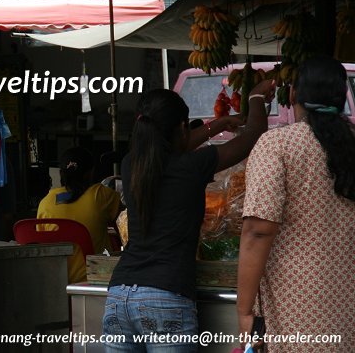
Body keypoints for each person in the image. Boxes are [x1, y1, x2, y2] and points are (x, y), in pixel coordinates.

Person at [102, 80, 274, 351]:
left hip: (118, 296)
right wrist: (255, 98)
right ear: (182, 128)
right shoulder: (192, 166)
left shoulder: (130, 164)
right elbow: (253, 136)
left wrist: (216, 125)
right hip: (165, 297)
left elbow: (175, 144)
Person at [237, 56, 355, 351]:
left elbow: (258, 230)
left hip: (297, 314)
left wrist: (244, 311)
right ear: (342, 99)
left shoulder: (278, 145)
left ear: (292, 95)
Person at [37, 147, 123, 283]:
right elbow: (125, 222)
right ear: (91, 172)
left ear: (61, 173)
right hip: (97, 277)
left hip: (57, 279)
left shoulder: (46, 203)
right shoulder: (100, 195)